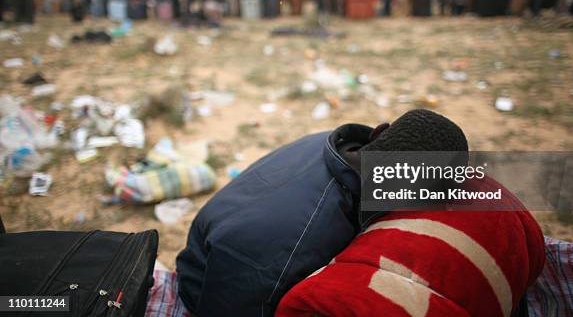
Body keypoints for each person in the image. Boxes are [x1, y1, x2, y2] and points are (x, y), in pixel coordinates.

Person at [176, 109, 469, 316]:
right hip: (207, 289)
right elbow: (234, 299)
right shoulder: (305, 235)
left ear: (379, 132)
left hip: (214, 246)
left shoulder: (334, 144)